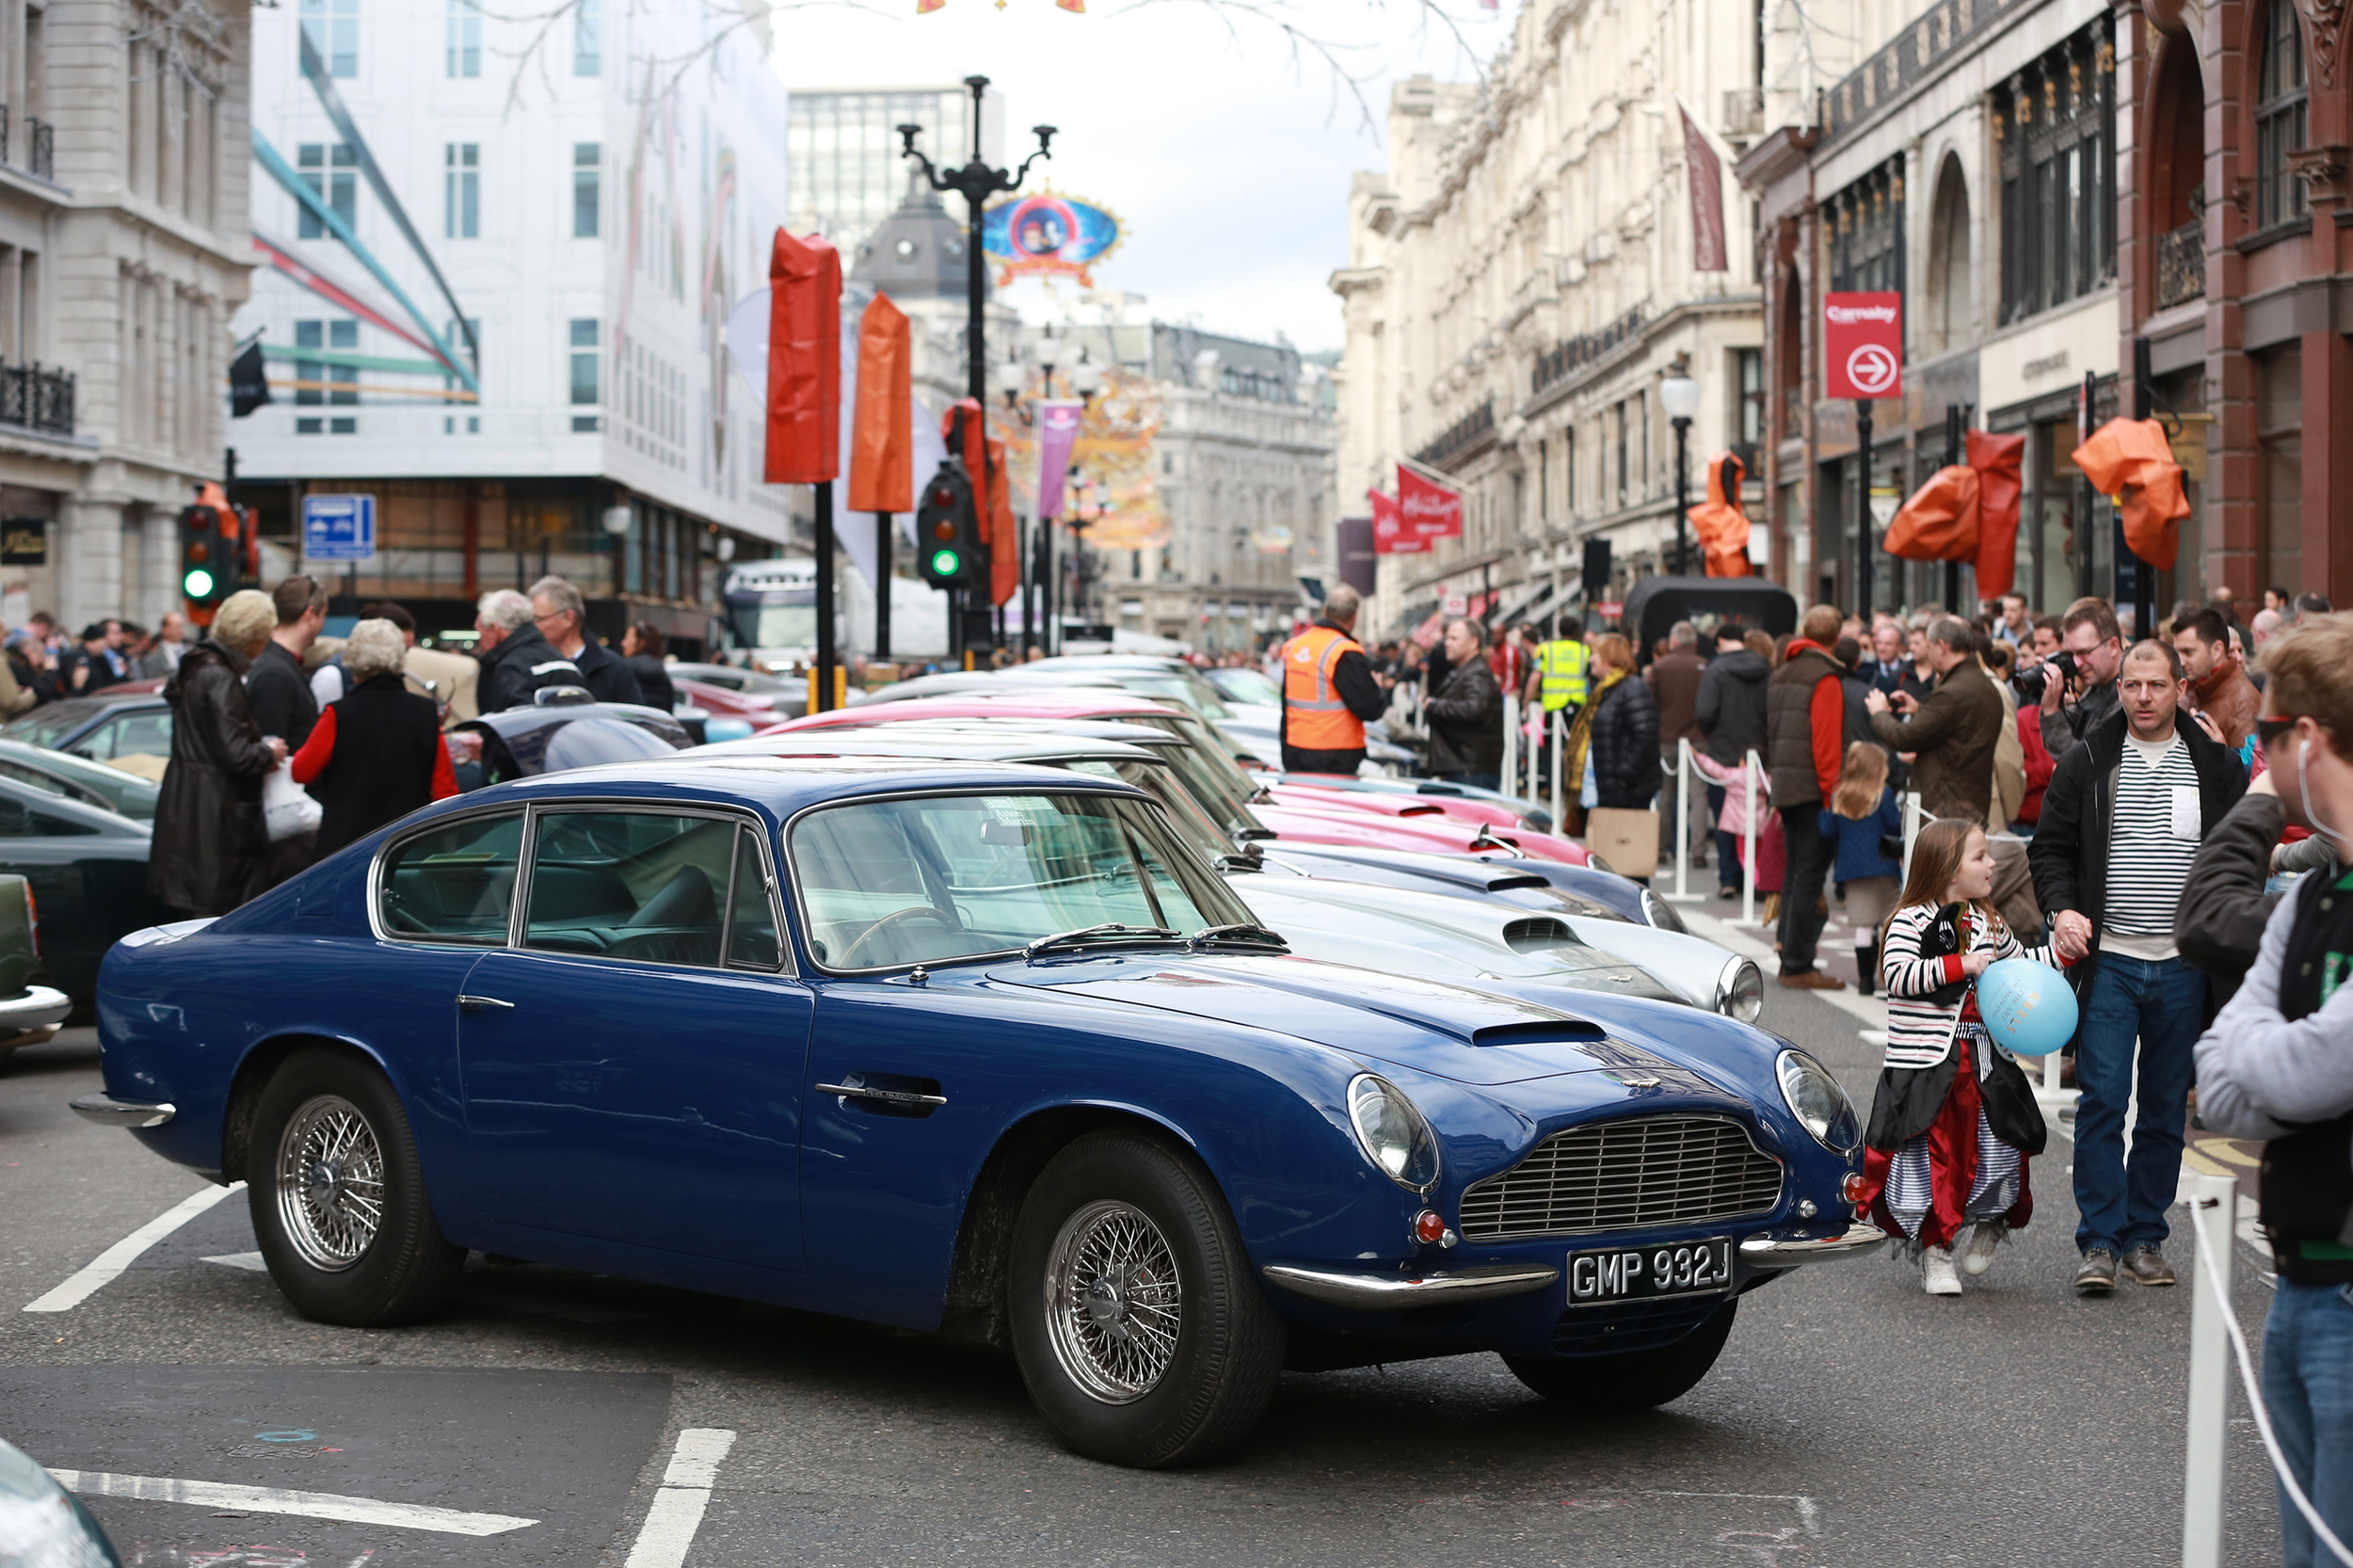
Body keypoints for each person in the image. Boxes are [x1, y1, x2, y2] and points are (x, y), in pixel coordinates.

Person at [2191, 616, 2353, 1568]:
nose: (2262, 756)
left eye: (2270, 734)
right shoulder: (2313, 893)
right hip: (2299, 1280)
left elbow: (2308, 1066)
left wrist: (2278, 1059)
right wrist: (2283, 1061)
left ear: (2310, 740)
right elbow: (2220, 1080)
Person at [2030, 638, 2249, 1294]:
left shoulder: (2213, 765)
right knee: (2101, 1101)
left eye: (2157, 685)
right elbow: (2050, 851)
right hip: (2112, 962)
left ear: (2181, 688)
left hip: (2184, 965)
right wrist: (2061, 912)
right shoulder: (2090, 758)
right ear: (2119, 689)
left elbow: (2240, 857)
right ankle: (2098, 1240)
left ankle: (2145, 1235)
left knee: (2161, 1107)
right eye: (2133, 686)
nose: (2144, 697)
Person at [1855, 817, 2060, 1294]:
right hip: (1930, 1068)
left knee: (2005, 1151)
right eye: (1980, 856)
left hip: (1987, 1063)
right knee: (1938, 1161)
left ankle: (1994, 1222)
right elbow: (1900, 975)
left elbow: (2019, 967)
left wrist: (2061, 955)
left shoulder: (1988, 920)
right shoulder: (1910, 919)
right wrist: (1960, 964)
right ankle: (1936, 1250)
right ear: (1948, 868)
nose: (1992, 863)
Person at [148, 590, 287, 917]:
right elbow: (236, 754)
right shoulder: (220, 677)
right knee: (215, 917)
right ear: (252, 638)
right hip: (214, 815)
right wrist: (269, 752)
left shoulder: (197, 666)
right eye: (263, 637)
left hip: (190, 804)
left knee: (195, 916)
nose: (264, 645)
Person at [289, 618, 458, 858]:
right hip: (407, 848)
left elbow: (300, 771)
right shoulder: (426, 714)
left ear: (354, 661)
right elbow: (446, 791)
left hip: (345, 850)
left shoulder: (338, 714)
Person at [1765, 604, 1853, 989]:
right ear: (1836, 637)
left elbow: (1774, 734)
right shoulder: (1825, 677)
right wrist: (1833, 795)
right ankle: (1799, 963)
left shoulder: (1782, 672)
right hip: (1813, 790)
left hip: (1786, 783)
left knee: (1794, 873)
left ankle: (1788, 950)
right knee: (1808, 875)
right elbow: (1826, 744)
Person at [1864, 616, 2005, 826]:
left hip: (1945, 808)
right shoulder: (1982, 683)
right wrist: (1921, 710)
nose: (1928, 654)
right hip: (1965, 803)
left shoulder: (1953, 692)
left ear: (1942, 646)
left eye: (1929, 647)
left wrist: (1879, 713)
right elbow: (1957, 729)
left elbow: (1904, 738)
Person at [1276, 584, 1389, 776]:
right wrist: (1379, 689)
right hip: (1334, 755)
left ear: (1325, 611)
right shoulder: (1344, 652)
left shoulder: (1293, 647)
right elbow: (1370, 708)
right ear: (1354, 616)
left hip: (1295, 749)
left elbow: (1286, 702)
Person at [1818, 742, 1903, 994]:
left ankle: (1864, 980)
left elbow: (1827, 831)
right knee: (1887, 923)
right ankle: (1885, 979)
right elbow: (1895, 827)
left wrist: (1823, 813)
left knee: (1863, 926)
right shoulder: (1882, 794)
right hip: (1882, 867)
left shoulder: (1840, 794)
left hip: (1852, 872)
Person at [1696, 622, 1769, 897]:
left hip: (1725, 752)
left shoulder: (1715, 669)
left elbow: (1704, 711)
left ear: (1721, 641)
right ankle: (1757, 877)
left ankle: (1729, 877)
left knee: (1725, 819)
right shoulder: (1765, 668)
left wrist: (1714, 733)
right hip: (1759, 754)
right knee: (1759, 819)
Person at [1647, 621, 1707, 869]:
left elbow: (1650, 702)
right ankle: (1698, 851)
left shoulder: (1660, 667)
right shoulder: (1705, 666)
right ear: (1694, 642)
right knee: (1698, 795)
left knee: (1666, 795)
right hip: (1698, 738)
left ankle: (1661, 849)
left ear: (1673, 642)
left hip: (1667, 737)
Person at [2038, 597, 2127, 765]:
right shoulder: (2100, 685)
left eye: (2084, 652)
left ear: (2113, 646)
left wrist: (2051, 711)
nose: (2076, 663)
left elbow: (2084, 767)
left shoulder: (2130, 694)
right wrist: (2056, 702)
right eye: (2070, 655)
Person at [529, 575, 642, 706]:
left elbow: (633, 719)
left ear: (568, 618)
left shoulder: (612, 668)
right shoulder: (530, 665)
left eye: (540, 619)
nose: (534, 626)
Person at [1582, 632, 1661, 817]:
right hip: (1610, 789)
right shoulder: (1607, 689)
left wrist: (1623, 777)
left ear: (1610, 657)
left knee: (1624, 844)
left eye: (1595, 654)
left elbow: (1645, 736)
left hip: (1627, 793)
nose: (1591, 659)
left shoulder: (1632, 688)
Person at [247, 576, 326, 751]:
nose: (323, 623)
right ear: (310, 615)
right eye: (323, 615)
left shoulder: (277, 665)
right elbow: (271, 755)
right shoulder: (275, 674)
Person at [473, 588, 583, 712]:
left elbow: (513, 725)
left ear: (495, 629)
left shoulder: (511, 668)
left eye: (480, 632)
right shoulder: (564, 662)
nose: (480, 639)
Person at [1426, 617, 1504, 789]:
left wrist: (1435, 706)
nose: (1447, 643)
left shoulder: (1477, 674)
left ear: (1473, 643)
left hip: (1470, 771)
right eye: (1447, 638)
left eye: (1454, 639)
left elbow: (1474, 709)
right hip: (1463, 768)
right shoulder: (1469, 671)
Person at [2175, 605, 2261, 759]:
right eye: (2178, 652)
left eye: (2188, 652)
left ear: (2217, 650)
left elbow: (2247, 772)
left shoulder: (2242, 700)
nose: (2181, 661)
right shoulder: (2195, 687)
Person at [622, 621, 676, 712]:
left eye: (627, 639)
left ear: (641, 642)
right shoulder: (662, 673)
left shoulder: (623, 669)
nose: (623, 643)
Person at [59, 623, 118, 696]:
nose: (104, 646)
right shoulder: (79, 658)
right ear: (89, 643)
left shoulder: (98, 657)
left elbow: (110, 680)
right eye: (102, 642)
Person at [139, 611, 188, 678]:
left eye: (182, 626)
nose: (181, 631)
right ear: (165, 629)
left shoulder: (192, 651)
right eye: (177, 627)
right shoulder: (152, 659)